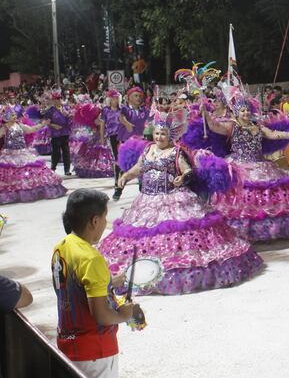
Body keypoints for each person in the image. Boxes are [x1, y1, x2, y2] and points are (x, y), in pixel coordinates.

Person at [99, 108, 262, 293]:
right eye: (157, 133)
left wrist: (183, 178)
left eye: (163, 134)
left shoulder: (176, 152)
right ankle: (144, 270)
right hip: (147, 202)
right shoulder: (148, 149)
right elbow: (139, 168)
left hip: (174, 201)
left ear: (170, 135)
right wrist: (126, 176)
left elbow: (188, 170)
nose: (159, 137)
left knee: (179, 236)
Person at [203, 89, 289, 242]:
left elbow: (272, 134)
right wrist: (204, 113)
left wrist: (287, 134)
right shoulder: (232, 126)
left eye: (247, 110)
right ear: (237, 112)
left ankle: (274, 229)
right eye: (242, 110)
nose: (245, 113)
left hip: (261, 165)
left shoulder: (257, 126)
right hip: (241, 167)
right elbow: (214, 126)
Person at [52, 189, 143, 378]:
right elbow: (101, 316)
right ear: (94, 221)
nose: (105, 223)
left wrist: (110, 281)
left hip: (67, 341)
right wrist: (123, 315)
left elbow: (72, 287)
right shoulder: (92, 259)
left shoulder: (62, 246)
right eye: (104, 218)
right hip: (95, 351)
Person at [0, 105, 66, 204]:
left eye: (15, 115)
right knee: (10, 174)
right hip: (9, 155)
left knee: (31, 170)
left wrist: (43, 124)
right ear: (7, 116)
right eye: (12, 115)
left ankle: (30, 190)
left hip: (22, 153)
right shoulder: (5, 127)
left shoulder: (19, 125)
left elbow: (32, 129)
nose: (15, 117)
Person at [113, 87, 149, 201]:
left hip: (142, 143)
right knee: (124, 168)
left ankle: (142, 191)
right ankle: (118, 189)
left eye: (139, 96)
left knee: (142, 168)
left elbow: (153, 119)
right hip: (127, 143)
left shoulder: (145, 111)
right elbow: (121, 117)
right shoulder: (125, 109)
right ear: (128, 97)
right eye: (135, 96)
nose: (138, 98)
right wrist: (127, 123)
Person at [43, 91, 73, 176]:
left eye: (60, 98)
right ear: (53, 100)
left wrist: (68, 115)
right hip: (55, 134)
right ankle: (53, 168)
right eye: (56, 99)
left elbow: (70, 118)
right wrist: (53, 125)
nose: (59, 100)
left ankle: (67, 170)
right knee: (56, 152)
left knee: (66, 152)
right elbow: (46, 122)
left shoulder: (66, 108)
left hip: (65, 133)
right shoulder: (50, 110)